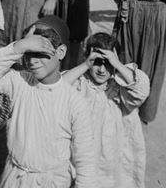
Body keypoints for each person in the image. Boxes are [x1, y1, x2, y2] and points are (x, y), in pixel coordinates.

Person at [0, 17, 96, 187]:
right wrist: (19, 46)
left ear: (60, 52)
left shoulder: (74, 102)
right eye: (28, 53)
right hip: (14, 177)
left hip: (51, 182)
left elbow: (85, 161)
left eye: (40, 54)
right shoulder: (20, 82)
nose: (32, 61)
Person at [63, 32, 150, 188]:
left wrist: (117, 64)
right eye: (97, 63)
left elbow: (141, 92)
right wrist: (85, 65)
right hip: (86, 157)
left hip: (114, 160)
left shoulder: (121, 84)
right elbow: (56, 90)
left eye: (108, 63)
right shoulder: (80, 83)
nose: (102, 70)